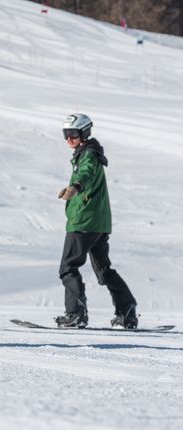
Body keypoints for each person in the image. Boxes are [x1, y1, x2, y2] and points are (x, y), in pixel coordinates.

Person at [55, 113, 137, 329]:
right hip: (98, 223)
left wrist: (75, 187)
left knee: (68, 267)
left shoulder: (89, 155)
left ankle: (75, 313)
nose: (69, 139)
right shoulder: (87, 153)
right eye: (66, 134)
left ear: (84, 132)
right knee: (103, 271)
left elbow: (87, 173)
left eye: (73, 133)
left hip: (84, 221)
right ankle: (127, 310)